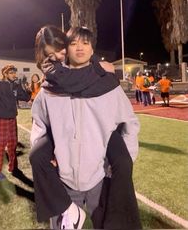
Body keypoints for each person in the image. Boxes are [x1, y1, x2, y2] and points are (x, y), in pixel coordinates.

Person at [30, 26, 141, 229]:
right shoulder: (49, 89)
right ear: (67, 49)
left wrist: (123, 160)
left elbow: (129, 123)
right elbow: (39, 124)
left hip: (99, 177)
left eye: (85, 43)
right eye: (73, 44)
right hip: (63, 180)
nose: (79, 48)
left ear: (92, 50)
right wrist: (47, 155)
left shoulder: (108, 85)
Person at [0, 64, 31, 181]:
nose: (14, 75)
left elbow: (26, 98)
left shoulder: (15, 86)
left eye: (14, 72)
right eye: (11, 73)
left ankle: (13, 167)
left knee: (12, 146)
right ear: (5, 74)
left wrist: (25, 88)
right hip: (1, 121)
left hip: (12, 120)